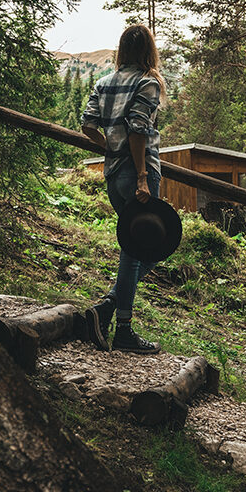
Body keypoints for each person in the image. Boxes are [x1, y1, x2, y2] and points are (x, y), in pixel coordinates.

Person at [80, 24, 165, 354]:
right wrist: (142, 176)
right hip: (137, 176)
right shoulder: (148, 82)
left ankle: (106, 309)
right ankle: (123, 331)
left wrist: (111, 149)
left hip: (113, 176)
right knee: (141, 250)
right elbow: (138, 129)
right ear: (149, 50)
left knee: (143, 248)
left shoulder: (104, 83)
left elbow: (88, 124)